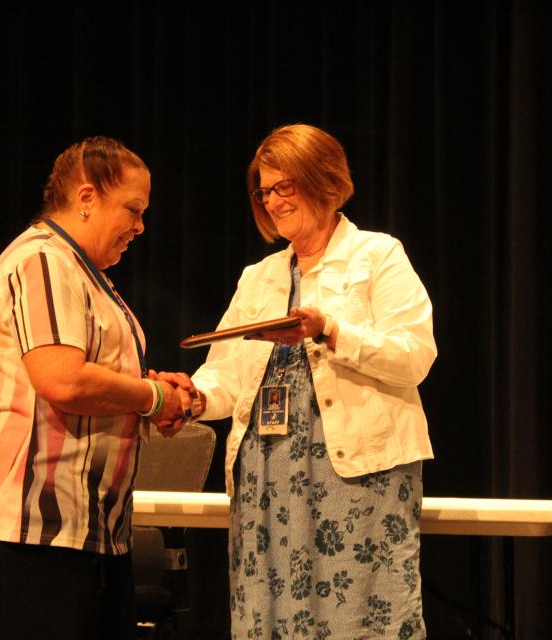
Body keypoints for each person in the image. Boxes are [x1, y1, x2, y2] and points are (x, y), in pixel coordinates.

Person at [186, 124, 437, 638]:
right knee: (268, 618)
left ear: (322, 179)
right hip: (267, 477)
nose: (273, 201)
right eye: (265, 189)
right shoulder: (259, 276)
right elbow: (226, 374)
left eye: (285, 186)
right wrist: (191, 399)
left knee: (361, 620)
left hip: (356, 476)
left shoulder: (377, 255)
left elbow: (415, 356)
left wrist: (330, 330)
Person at [0, 136, 192, 640]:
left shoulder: (85, 272)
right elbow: (61, 378)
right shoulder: (45, 260)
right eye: (132, 209)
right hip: (31, 526)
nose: (140, 226)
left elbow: (88, 372)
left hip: (85, 527)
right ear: (85, 199)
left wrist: (146, 388)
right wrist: (153, 397)